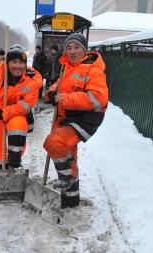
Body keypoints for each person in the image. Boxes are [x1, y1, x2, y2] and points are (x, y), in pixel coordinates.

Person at [43, 33, 109, 208]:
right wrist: (51, 92)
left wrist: (65, 98)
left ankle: (68, 178)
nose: (72, 51)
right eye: (69, 48)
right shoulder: (67, 68)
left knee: (55, 142)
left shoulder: (92, 69)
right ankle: (71, 201)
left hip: (86, 118)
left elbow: (98, 98)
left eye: (77, 47)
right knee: (67, 154)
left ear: (84, 50)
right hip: (67, 116)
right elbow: (59, 85)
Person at [0, 45, 42, 170]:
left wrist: (2, 113)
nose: (17, 66)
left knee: (19, 125)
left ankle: (14, 162)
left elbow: (24, 106)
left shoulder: (32, 80)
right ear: (7, 63)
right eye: (13, 62)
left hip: (16, 113)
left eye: (21, 62)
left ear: (25, 64)